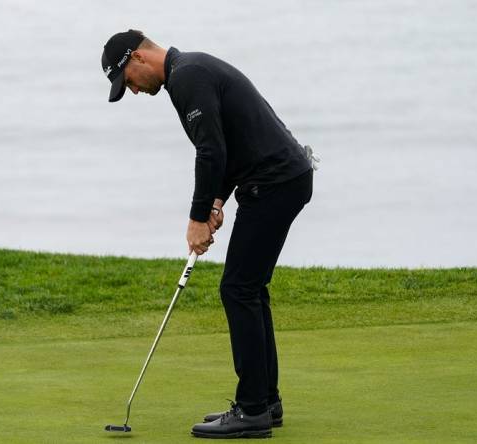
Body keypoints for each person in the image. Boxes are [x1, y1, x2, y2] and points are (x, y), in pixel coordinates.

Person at [101, 29, 316, 439]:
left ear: (139, 59)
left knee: (238, 289)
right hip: (282, 179)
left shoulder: (187, 78)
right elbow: (228, 149)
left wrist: (199, 217)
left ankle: (252, 409)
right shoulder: (190, 70)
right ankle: (265, 401)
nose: (131, 90)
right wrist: (216, 201)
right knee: (249, 287)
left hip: (273, 183)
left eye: (126, 80)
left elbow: (211, 151)